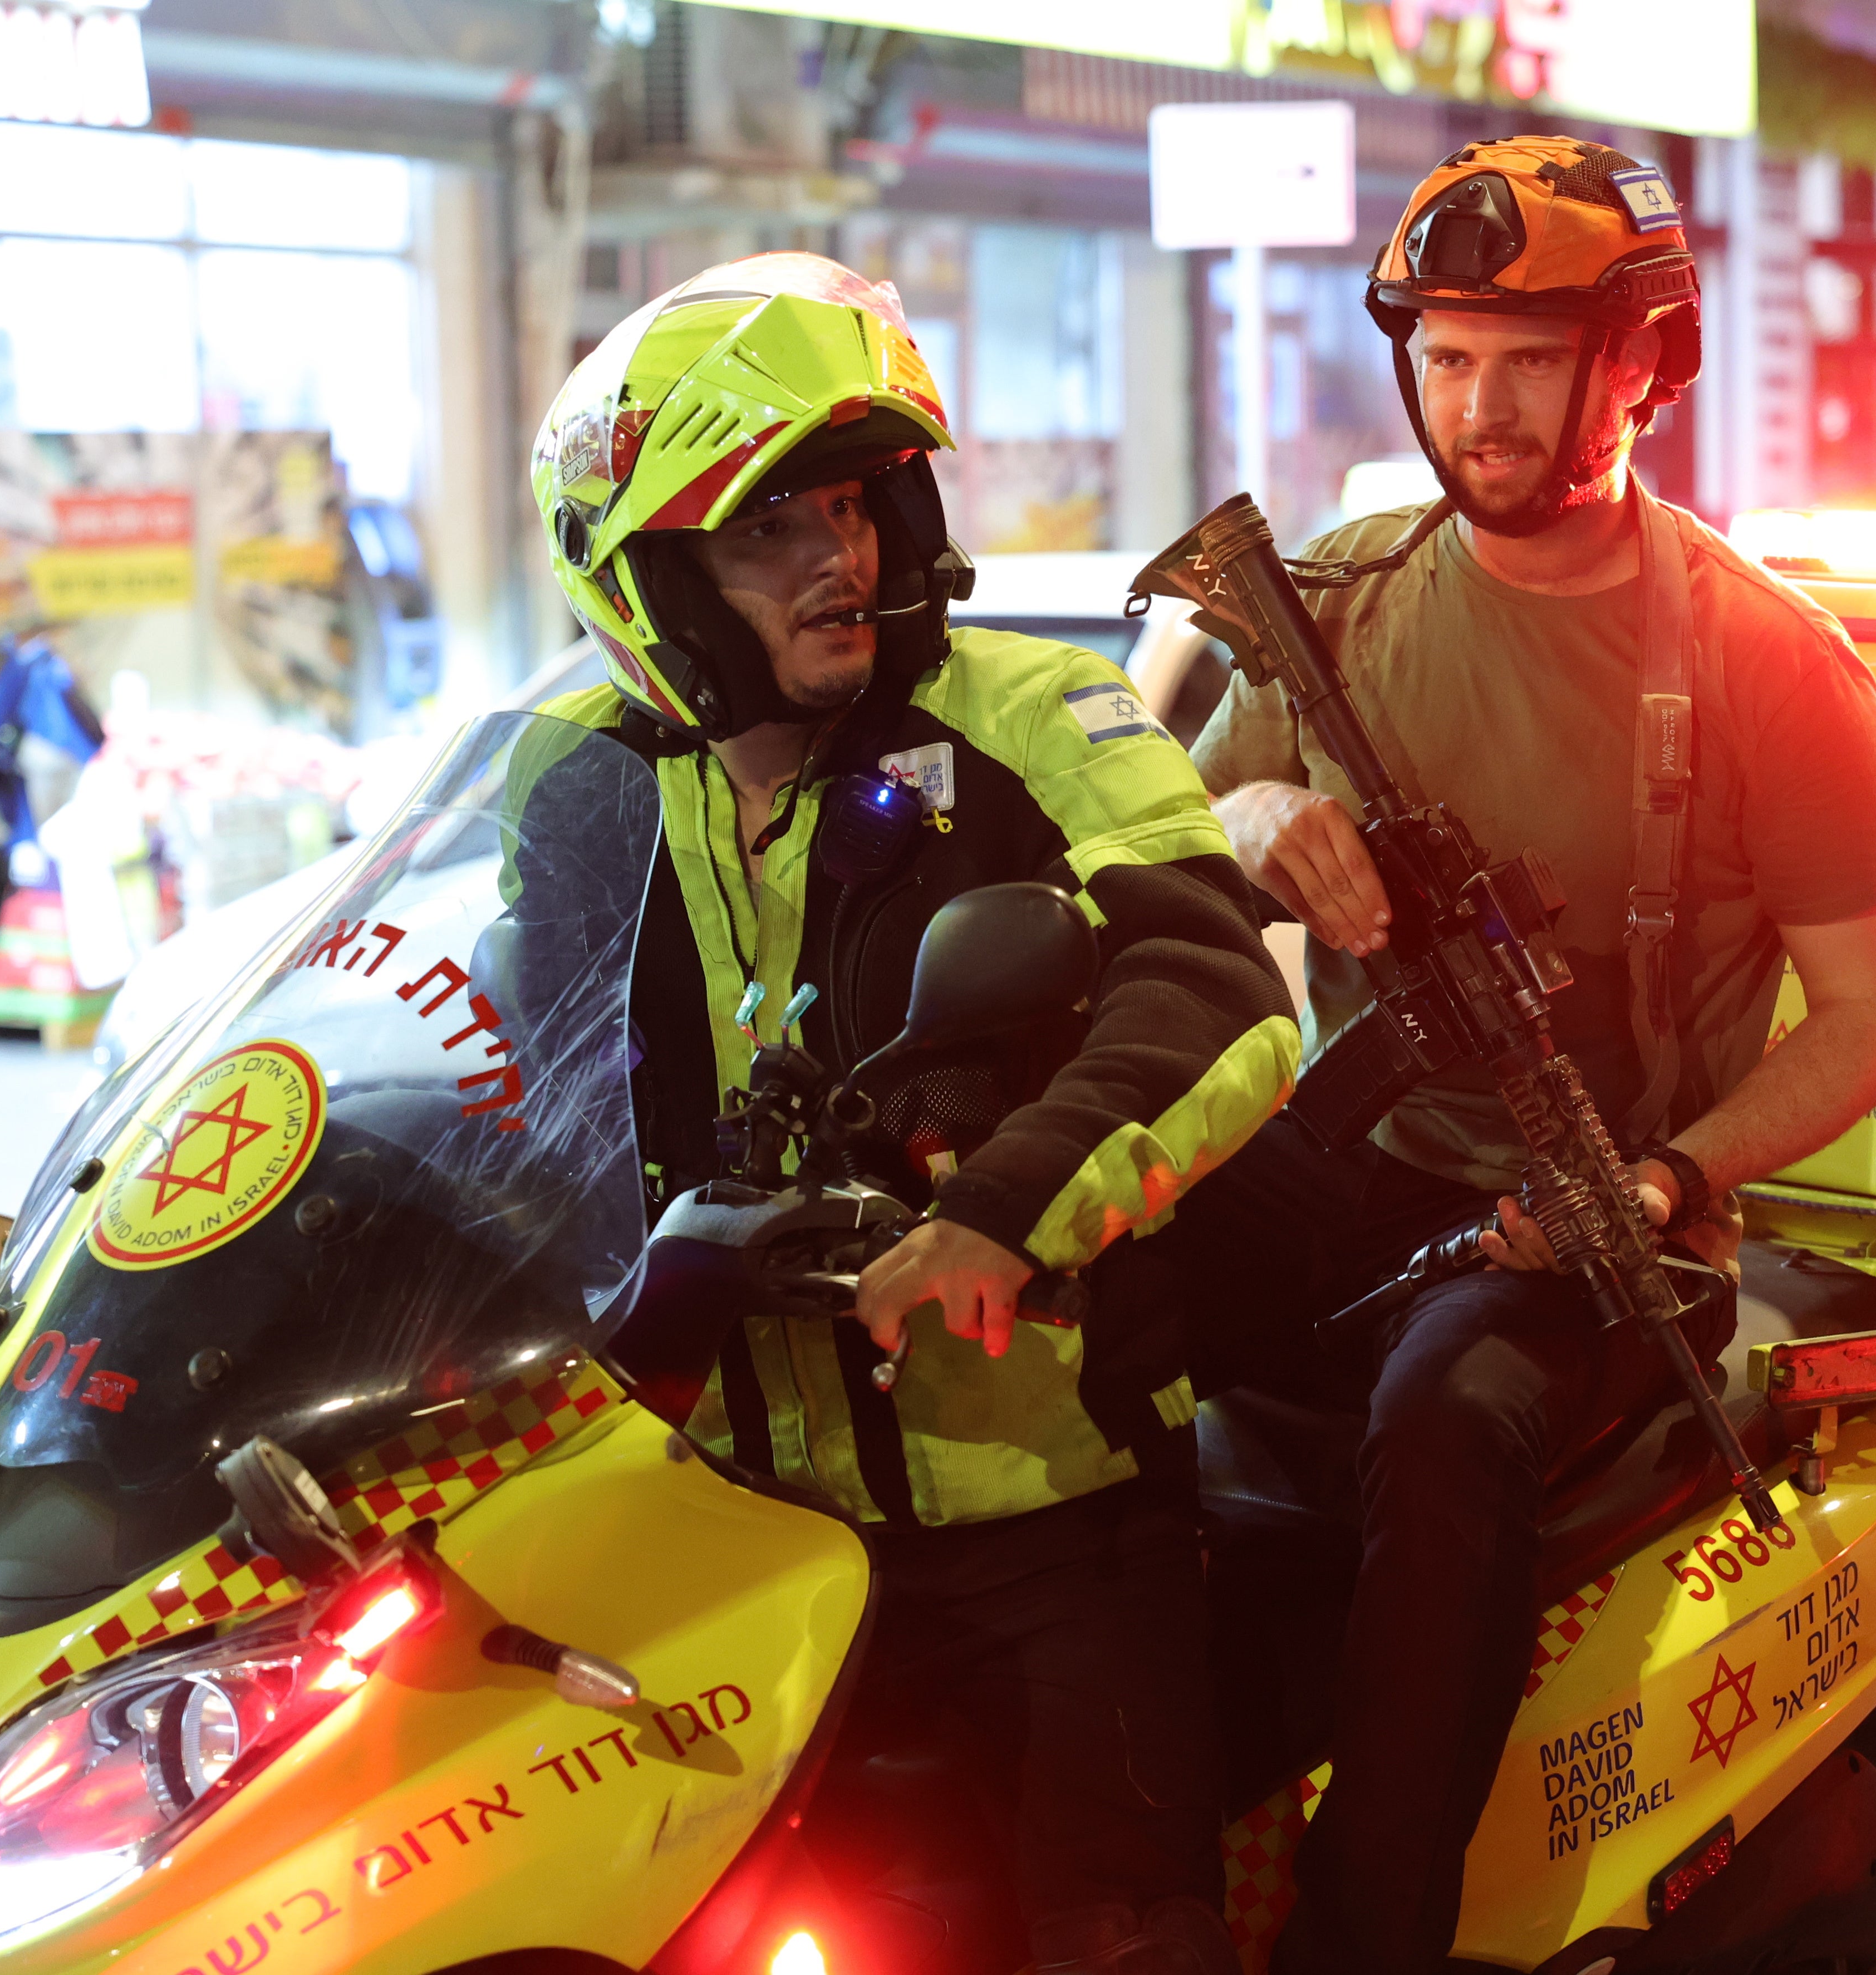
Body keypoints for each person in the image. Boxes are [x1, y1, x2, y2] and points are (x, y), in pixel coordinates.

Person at [1172, 138, 1876, 1973]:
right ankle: (1124, 1839)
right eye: (1442, 357)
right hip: (1363, 1151)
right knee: (1075, 1283)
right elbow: (1163, 849)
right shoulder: (1337, 598)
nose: (1474, 406)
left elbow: (1872, 1015)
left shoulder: (1764, 663)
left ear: (1640, 364)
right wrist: (1263, 802)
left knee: (1448, 1421)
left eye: (1523, 359)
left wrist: (1666, 1179)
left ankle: (1373, 1930)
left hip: (1604, 1206)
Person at [529, 253, 1301, 1975]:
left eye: (855, 505)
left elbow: (1216, 994)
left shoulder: (1034, 718)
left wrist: (1000, 1209)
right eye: (769, 527)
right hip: (722, 1518)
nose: (841, 558)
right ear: (652, 581)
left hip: (1046, 1511)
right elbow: (486, 1066)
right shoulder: (570, 778)